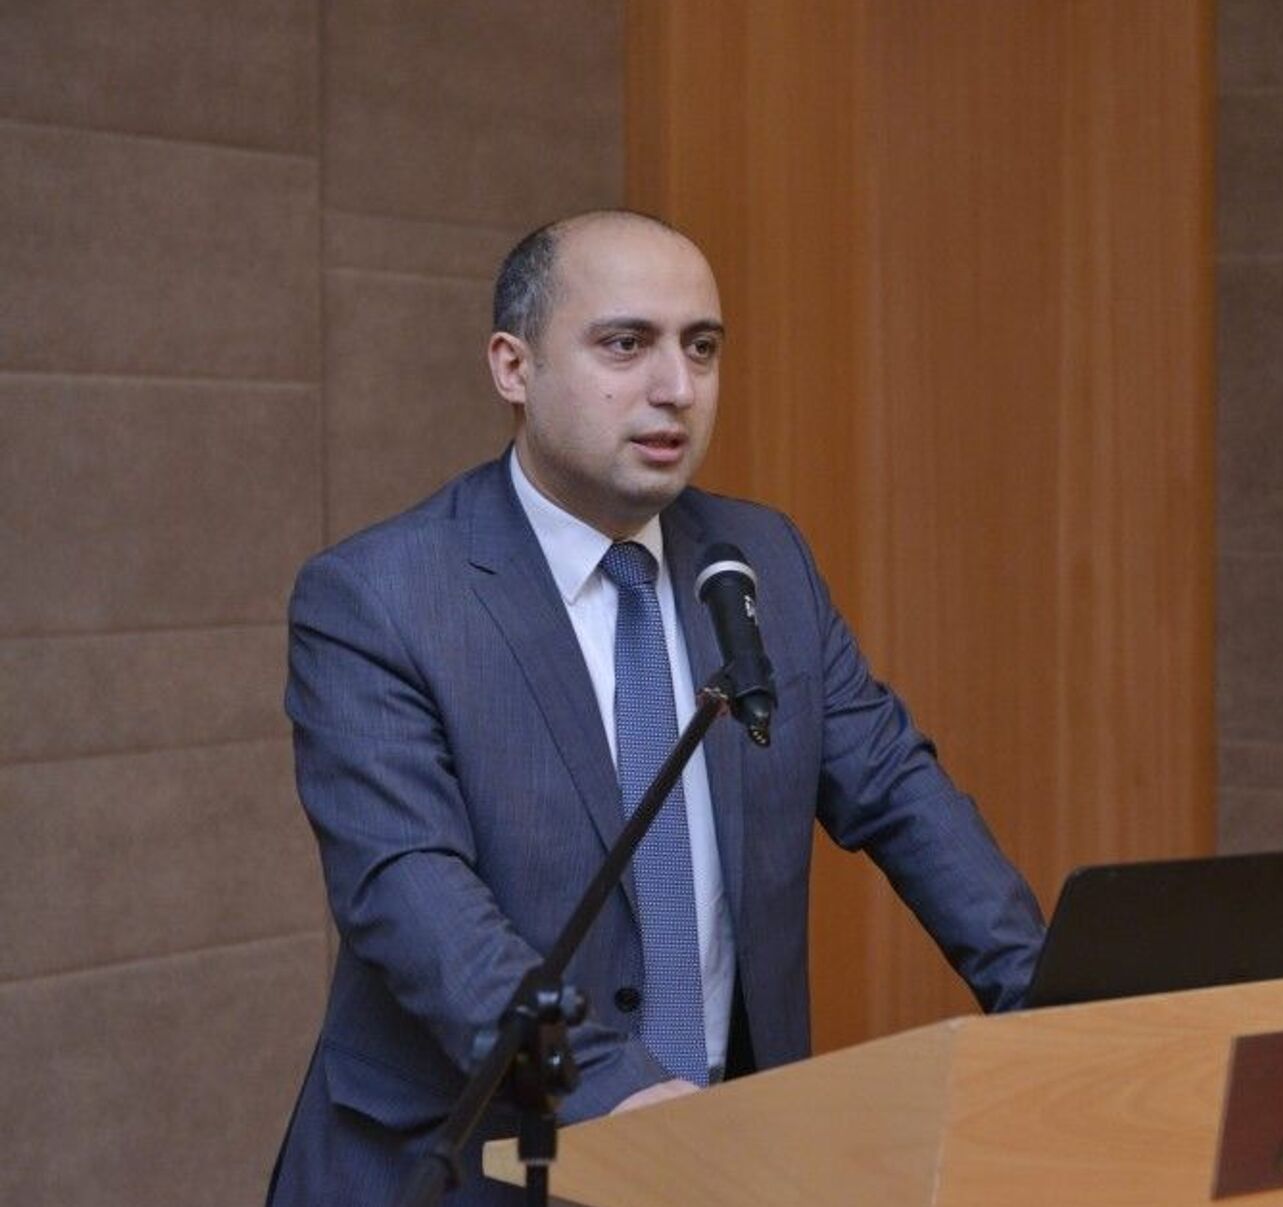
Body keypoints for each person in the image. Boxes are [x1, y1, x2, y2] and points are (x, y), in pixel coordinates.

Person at [266, 210, 1046, 1205]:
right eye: (626, 344)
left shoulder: (761, 563)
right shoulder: (381, 596)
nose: (677, 386)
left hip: (712, 1154)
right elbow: (412, 894)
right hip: (467, 1163)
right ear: (513, 367)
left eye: (702, 347)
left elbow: (899, 792)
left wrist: (1053, 1004)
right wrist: (619, 1092)